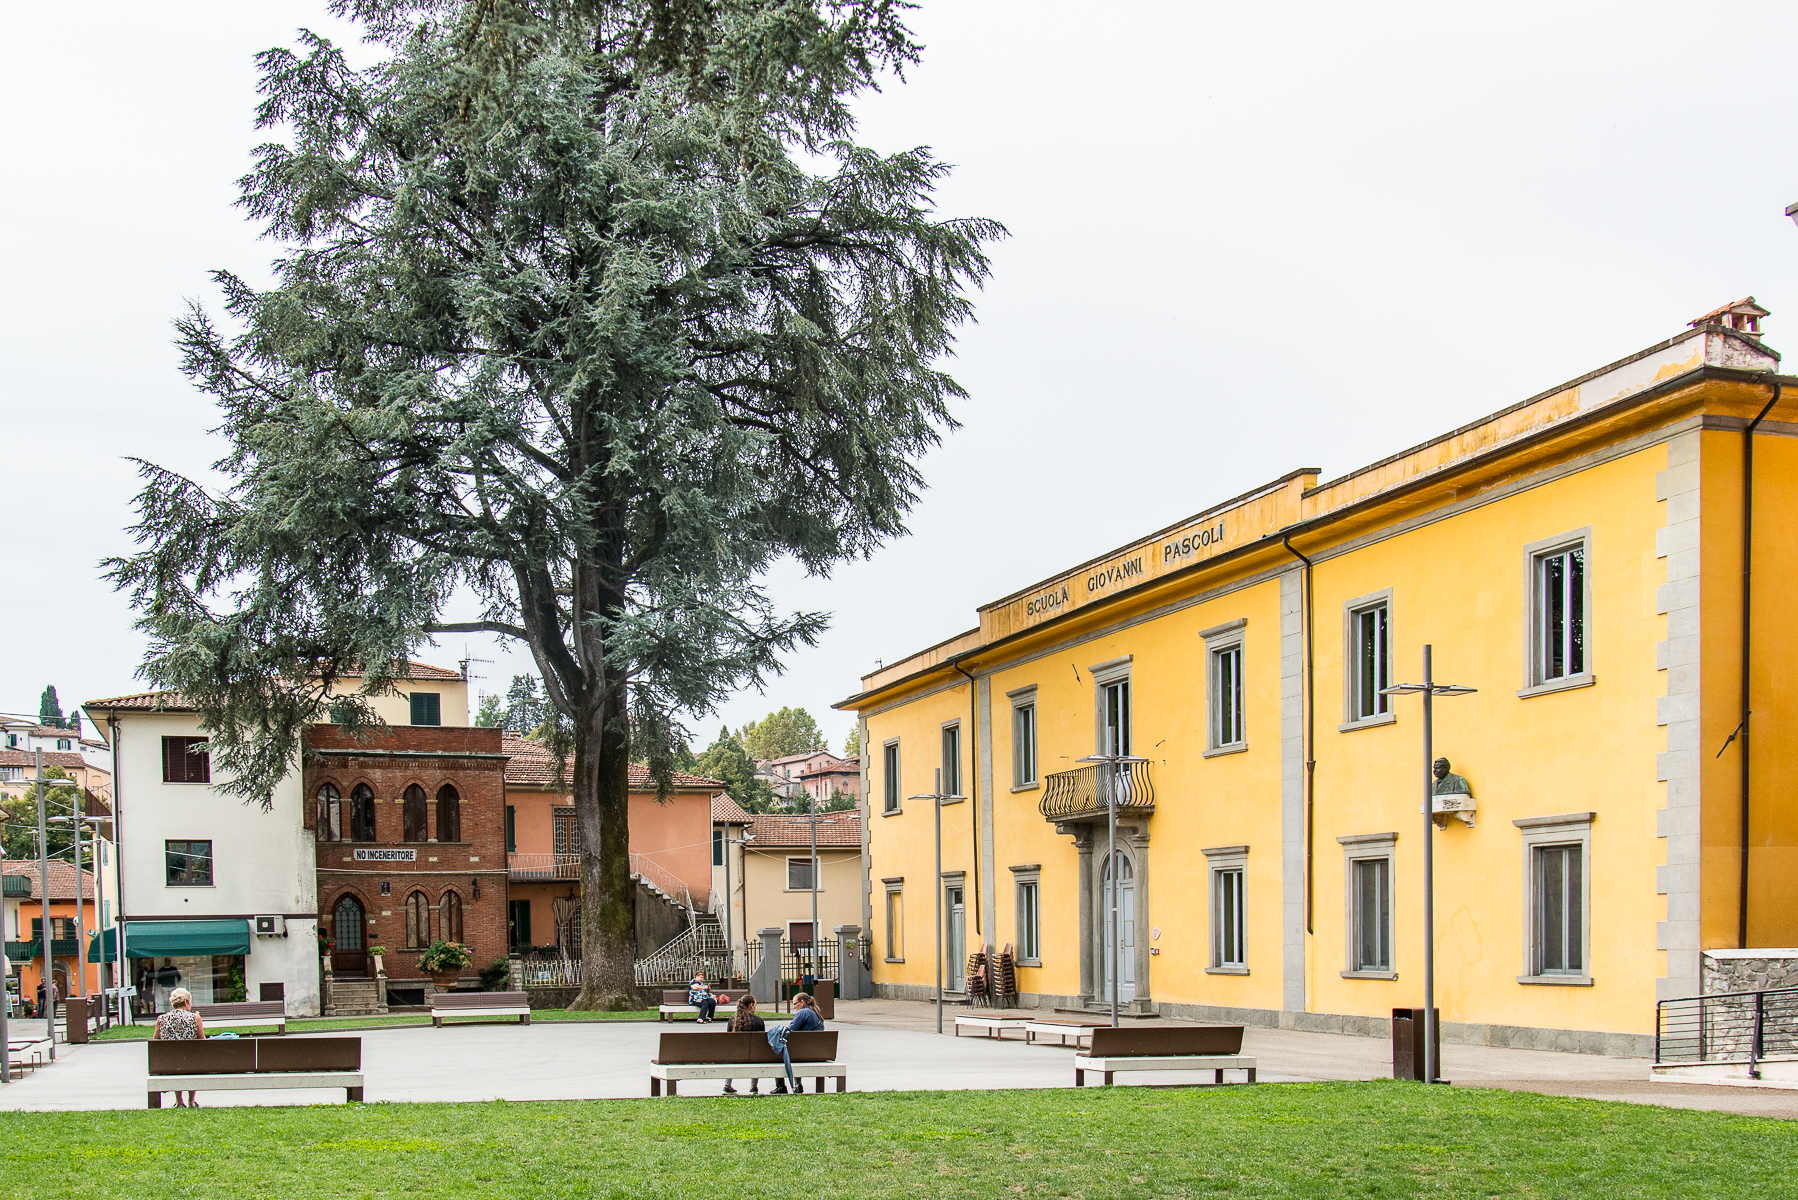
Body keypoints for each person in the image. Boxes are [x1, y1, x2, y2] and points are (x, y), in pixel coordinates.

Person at [153, 987, 207, 1108]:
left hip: (170, 1065)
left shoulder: (161, 1019)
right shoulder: (194, 1017)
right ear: (185, 1002)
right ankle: (191, 1101)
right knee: (192, 1060)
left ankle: (178, 1101)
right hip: (192, 1064)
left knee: (176, 1061)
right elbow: (202, 1042)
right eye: (190, 1001)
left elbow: (155, 1042)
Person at [767, 992, 824, 1095]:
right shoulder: (816, 1012)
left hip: (802, 1052)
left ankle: (780, 1086)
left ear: (802, 1002)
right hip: (817, 1052)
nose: (794, 1007)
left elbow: (791, 1030)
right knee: (798, 1049)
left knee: (778, 1052)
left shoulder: (801, 1013)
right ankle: (798, 1085)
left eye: (795, 1003)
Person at [722, 994, 765, 1096]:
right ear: (751, 1005)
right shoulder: (758, 1020)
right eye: (755, 1005)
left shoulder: (732, 1020)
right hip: (755, 1057)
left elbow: (729, 1040)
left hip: (734, 1057)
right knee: (756, 1053)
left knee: (731, 1053)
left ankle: (727, 1086)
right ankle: (753, 1087)